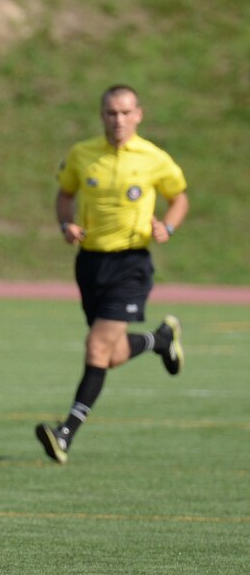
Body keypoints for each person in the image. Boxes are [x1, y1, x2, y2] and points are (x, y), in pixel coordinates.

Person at [36, 85, 188, 464]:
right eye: (110, 113)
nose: (117, 120)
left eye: (124, 113)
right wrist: (65, 225)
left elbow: (179, 197)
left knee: (96, 348)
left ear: (138, 114)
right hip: (89, 263)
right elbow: (64, 195)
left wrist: (166, 228)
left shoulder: (153, 158)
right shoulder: (82, 154)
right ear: (101, 115)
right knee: (110, 352)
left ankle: (65, 433)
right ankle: (161, 339)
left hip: (131, 264)